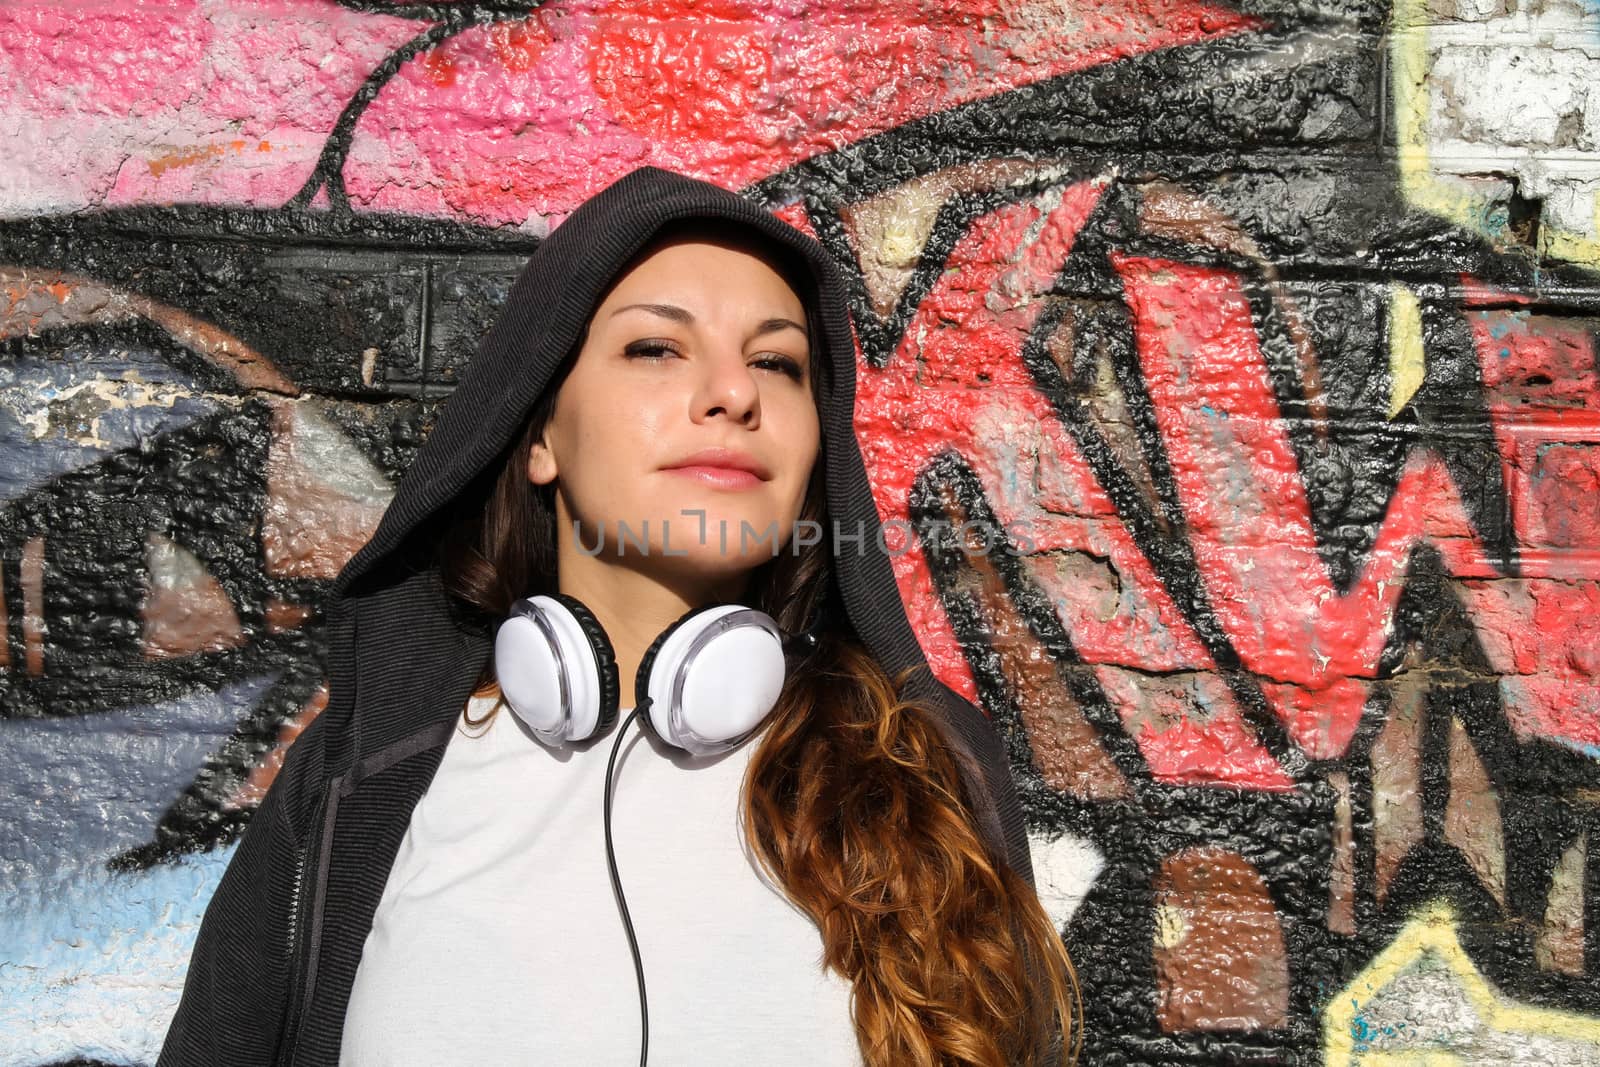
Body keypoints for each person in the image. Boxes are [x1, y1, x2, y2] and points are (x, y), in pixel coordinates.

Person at [157, 165, 1078, 1066]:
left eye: (776, 360)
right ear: (542, 431)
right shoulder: (362, 775)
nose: (734, 393)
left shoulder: (925, 762)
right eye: (656, 348)